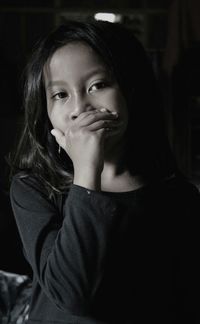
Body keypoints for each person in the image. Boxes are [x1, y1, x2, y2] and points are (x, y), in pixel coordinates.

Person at [9, 20, 200, 324]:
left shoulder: (177, 196)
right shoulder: (34, 188)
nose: (80, 107)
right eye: (60, 95)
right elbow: (73, 293)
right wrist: (87, 170)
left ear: (131, 90)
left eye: (98, 85)